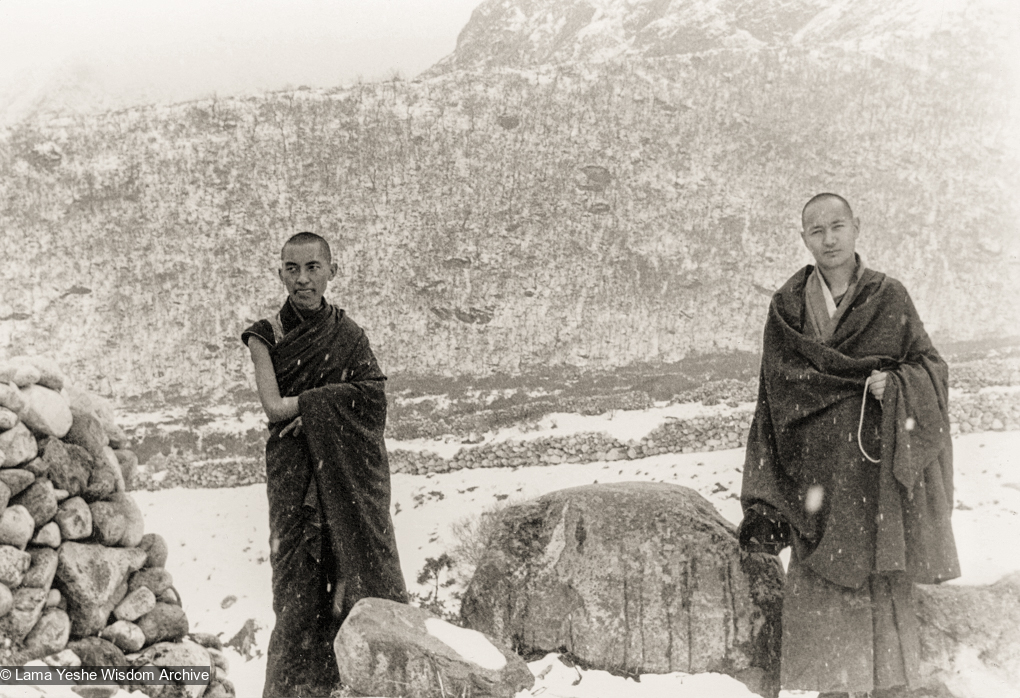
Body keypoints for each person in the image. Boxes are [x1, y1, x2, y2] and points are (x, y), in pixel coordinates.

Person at [738, 194, 960, 697]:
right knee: (822, 580)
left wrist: (899, 383)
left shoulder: (889, 296)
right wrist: (765, 493)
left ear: (857, 228)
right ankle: (832, 688)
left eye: (838, 226)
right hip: (814, 478)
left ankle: (890, 687)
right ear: (804, 239)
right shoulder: (788, 306)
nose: (829, 238)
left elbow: (932, 367)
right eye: (817, 230)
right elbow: (773, 396)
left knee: (879, 579)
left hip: (874, 476)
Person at [242, 232, 407, 698]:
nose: (302, 279)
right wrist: (318, 411)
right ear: (280, 274)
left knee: (350, 574)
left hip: (344, 476)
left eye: (313, 267)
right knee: (297, 590)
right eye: (292, 269)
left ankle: (354, 683)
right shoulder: (265, 334)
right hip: (294, 474)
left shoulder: (349, 334)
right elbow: (274, 408)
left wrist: (312, 411)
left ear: (332, 271)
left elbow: (373, 399)